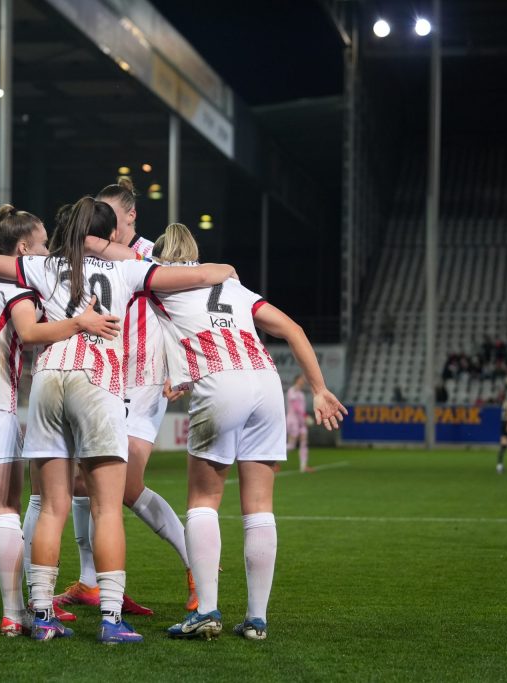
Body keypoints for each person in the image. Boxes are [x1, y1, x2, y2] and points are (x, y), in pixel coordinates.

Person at [0, 198, 236, 643]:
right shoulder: (128, 269)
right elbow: (196, 276)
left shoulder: (44, 266)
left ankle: (42, 615)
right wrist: (225, 270)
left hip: (49, 377)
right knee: (107, 507)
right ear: (110, 235)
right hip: (97, 379)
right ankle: (111, 619)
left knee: (50, 505)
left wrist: (63, 253)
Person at [150, 223, 347, 641]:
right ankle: (257, 619)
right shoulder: (233, 287)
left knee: (203, 500)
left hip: (221, 381)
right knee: (259, 506)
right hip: (265, 382)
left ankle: (206, 610)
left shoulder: (160, 282)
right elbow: (293, 329)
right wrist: (318, 389)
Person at [0, 205, 120, 634]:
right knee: (7, 506)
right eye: (42, 244)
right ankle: (15, 615)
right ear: (21, 249)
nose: (48, 251)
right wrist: (80, 323)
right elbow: (30, 334)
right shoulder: (16, 285)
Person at [51, 178, 196, 618]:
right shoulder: (88, 256)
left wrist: (182, 369)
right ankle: (90, 582)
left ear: (130, 216)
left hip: (143, 380)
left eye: (111, 217)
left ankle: (197, 565)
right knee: (82, 482)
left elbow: (184, 307)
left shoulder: (152, 255)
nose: (102, 226)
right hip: (99, 378)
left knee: (125, 487)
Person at [285, 374, 314, 473]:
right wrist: (306, 416)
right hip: (293, 421)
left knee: (304, 443)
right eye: (301, 380)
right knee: (291, 446)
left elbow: (300, 408)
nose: (303, 381)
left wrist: (304, 418)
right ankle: (271, 460)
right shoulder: (292, 391)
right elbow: (296, 407)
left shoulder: (301, 394)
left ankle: (303, 466)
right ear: (297, 380)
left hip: (301, 421)